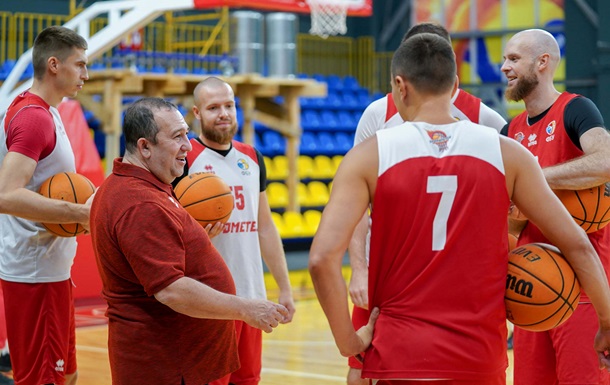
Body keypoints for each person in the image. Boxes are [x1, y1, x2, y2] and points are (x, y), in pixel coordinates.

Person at [309, 32, 610, 384]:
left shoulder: (368, 155)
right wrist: (606, 323)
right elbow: (577, 245)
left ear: (399, 86)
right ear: (454, 83)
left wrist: (349, 341)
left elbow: (320, 259)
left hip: (400, 352)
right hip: (478, 355)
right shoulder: (507, 152)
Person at [346, 21, 508, 385]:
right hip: (387, 269)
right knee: (360, 366)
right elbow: (355, 205)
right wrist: (359, 268)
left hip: (460, 277)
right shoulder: (377, 113)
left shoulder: (485, 118)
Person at [90, 97, 289, 385]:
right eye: (177, 137)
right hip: (166, 364)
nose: (187, 145)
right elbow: (171, 290)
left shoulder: (143, 186)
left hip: (177, 361)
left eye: (186, 133)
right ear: (145, 147)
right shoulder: (141, 203)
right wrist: (246, 308)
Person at [501, 29, 610, 385]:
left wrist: (533, 180)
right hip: (530, 285)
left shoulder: (575, 109)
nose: (504, 67)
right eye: (505, 59)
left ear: (543, 62)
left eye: (514, 58)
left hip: (583, 289)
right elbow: (510, 220)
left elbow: (605, 161)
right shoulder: (509, 131)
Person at [174, 77, 295, 385]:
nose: (224, 113)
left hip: (252, 295)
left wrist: (284, 287)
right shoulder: (184, 160)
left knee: (247, 380)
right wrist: (197, 236)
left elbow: (265, 228)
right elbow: (168, 230)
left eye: (229, 105)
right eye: (213, 107)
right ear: (196, 113)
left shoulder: (253, 157)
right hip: (210, 299)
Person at [0, 26, 90, 385]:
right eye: (80, 65)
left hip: (51, 268)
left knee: (68, 375)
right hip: (35, 274)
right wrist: (81, 214)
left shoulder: (46, 110)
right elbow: (6, 195)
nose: (86, 74)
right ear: (54, 64)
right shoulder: (34, 117)